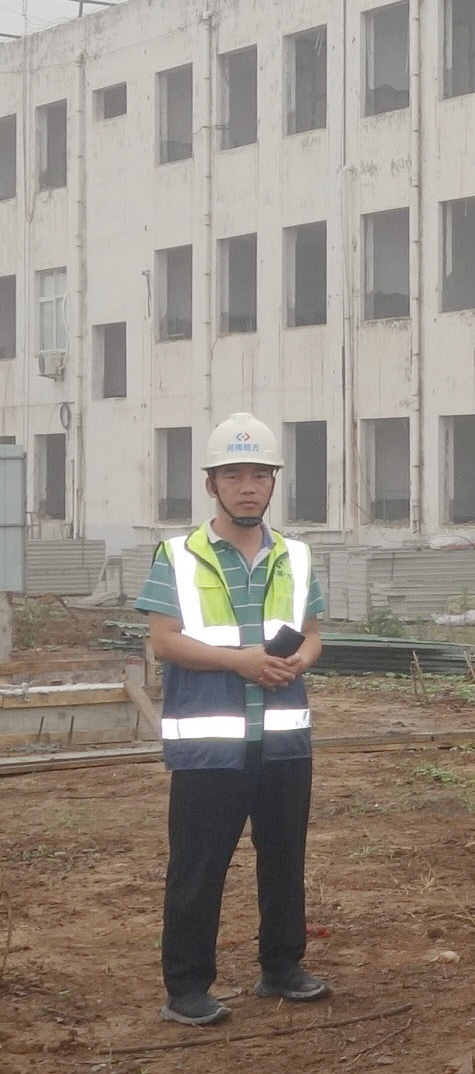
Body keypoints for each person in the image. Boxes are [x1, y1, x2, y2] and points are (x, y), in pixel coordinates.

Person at [137, 414, 330, 1026]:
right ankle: (187, 987)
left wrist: (299, 659)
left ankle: (282, 966)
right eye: (234, 476)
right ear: (211, 485)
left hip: (283, 741)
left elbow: (314, 634)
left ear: (273, 482)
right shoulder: (178, 556)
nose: (248, 487)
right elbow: (164, 641)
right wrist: (241, 662)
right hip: (210, 745)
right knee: (198, 867)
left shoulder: (296, 556)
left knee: (285, 858)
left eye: (259, 475)